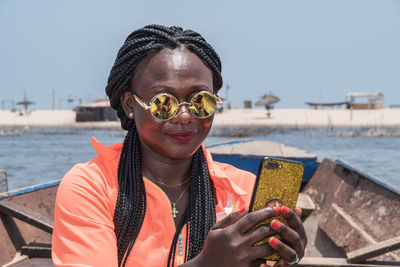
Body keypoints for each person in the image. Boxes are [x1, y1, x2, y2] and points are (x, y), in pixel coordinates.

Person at [52, 24, 307, 267]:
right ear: (130, 104)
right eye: (164, 103)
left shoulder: (244, 191)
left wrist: (285, 259)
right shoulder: (91, 187)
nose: (185, 116)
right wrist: (207, 263)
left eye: (201, 101)